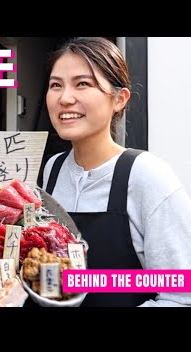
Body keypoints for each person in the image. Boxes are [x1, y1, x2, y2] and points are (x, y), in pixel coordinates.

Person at [42, 37, 191, 307]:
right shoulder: (52, 170)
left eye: (83, 84)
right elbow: (53, 278)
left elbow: (181, 294)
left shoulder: (147, 175)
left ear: (119, 99)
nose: (65, 98)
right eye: (56, 85)